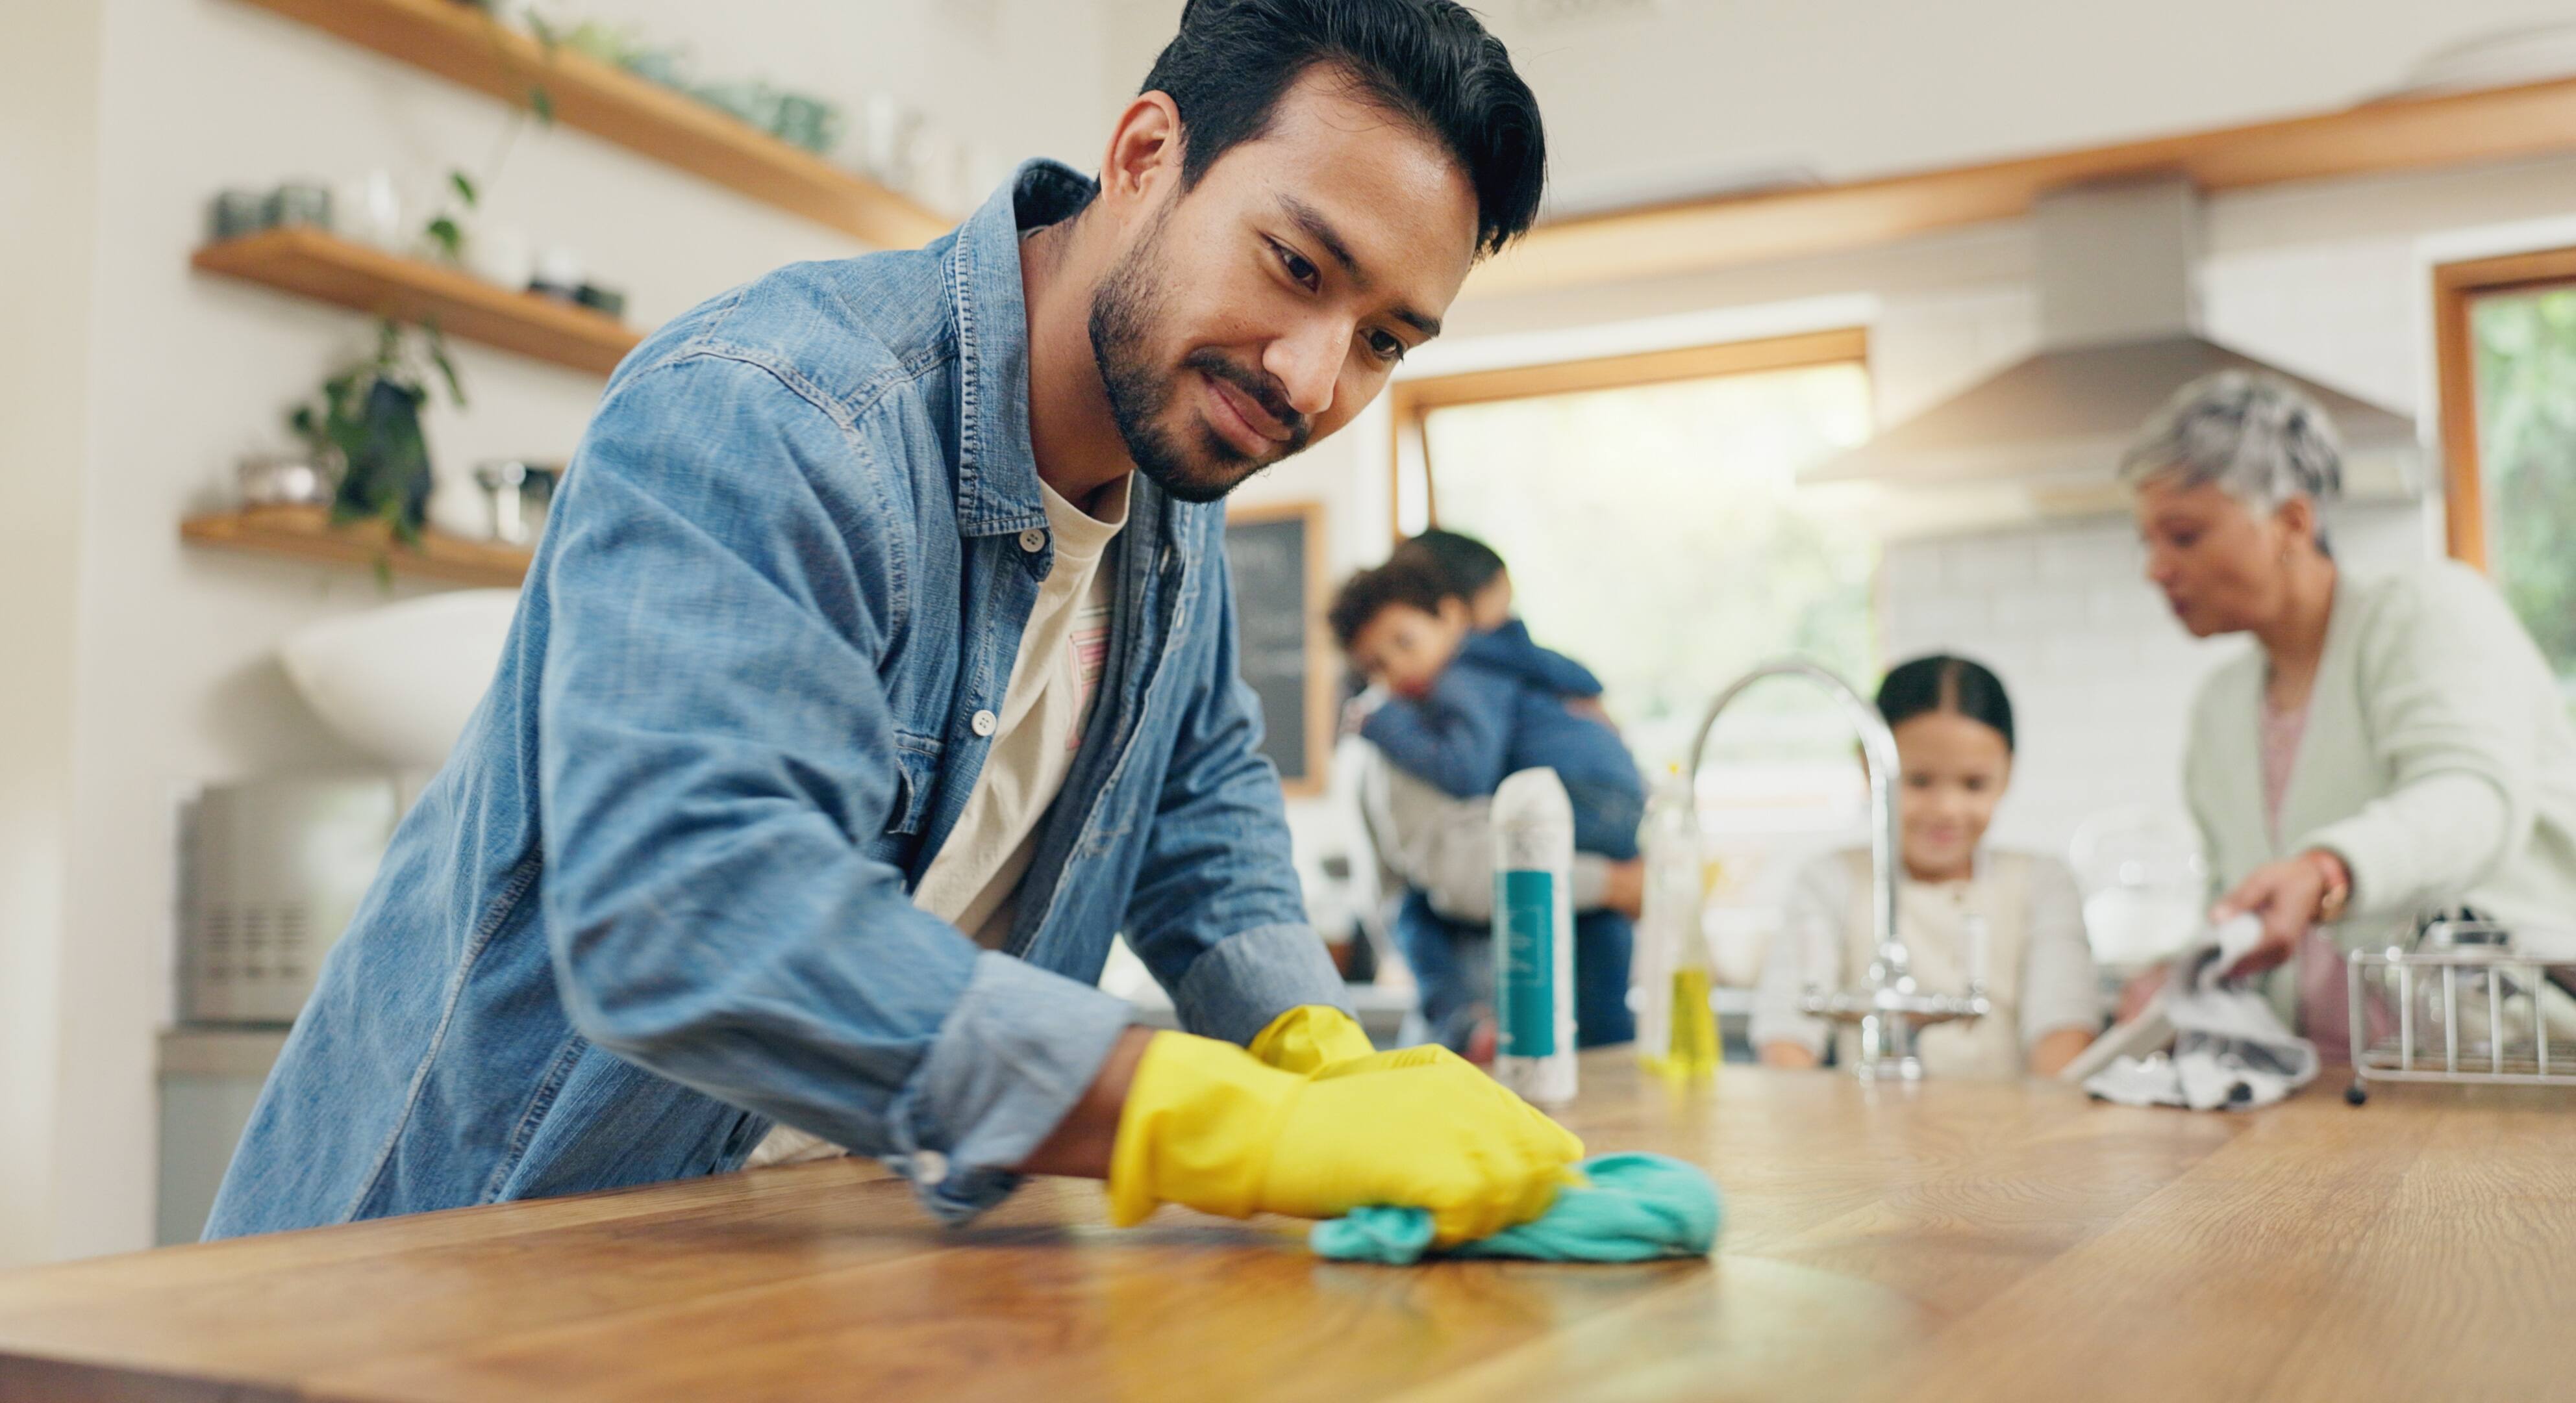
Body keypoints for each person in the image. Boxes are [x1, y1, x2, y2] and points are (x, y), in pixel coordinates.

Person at [206, 0, 1581, 1250]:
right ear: (1145, 154)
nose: (1308, 377)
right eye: (1292, 264)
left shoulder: (1179, 493)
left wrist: (1309, 1049)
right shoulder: (773, 414)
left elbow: (1198, 819)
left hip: (805, 1264)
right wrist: (1202, 1120)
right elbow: (692, 908)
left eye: (1384, 341)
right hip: (460, 1273)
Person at [2122, 371, 2576, 1059]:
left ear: (2293, 522)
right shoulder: (2219, 704)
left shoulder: (2424, 611)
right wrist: (2185, 973)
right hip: (2332, 1088)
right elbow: (2237, 901)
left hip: (2501, 1061)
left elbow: (2471, 797)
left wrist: (2327, 869)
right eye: (2147, 541)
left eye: (2182, 536)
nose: (2155, 569)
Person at [1328, 551, 1642, 1050]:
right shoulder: (1505, 671)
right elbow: (1466, 875)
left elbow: (1467, 775)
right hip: (1607, 814)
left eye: (1405, 644)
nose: (1396, 669)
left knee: (1417, 915)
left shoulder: (1451, 688)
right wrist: (1616, 884)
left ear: (1451, 616)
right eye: (1375, 665)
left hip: (1586, 813)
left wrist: (1385, 725)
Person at [1751, 655, 2101, 1078]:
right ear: (1869, 766)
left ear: (2007, 773)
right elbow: (1787, 1035)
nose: (1946, 809)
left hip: (2013, 1137)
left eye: (1974, 784)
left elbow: (2062, 1029)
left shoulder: (2043, 883)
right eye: (1918, 781)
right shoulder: (1830, 880)